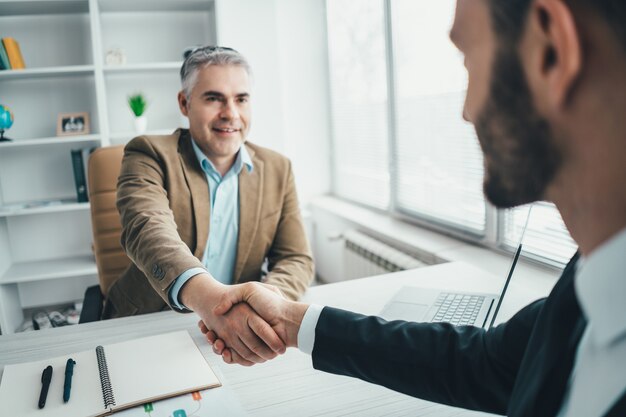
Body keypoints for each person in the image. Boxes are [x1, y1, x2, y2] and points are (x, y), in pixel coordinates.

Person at [204, 0, 626, 414]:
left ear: (550, 50)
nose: (466, 111)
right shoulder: (589, 274)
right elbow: (489, 364)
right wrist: (292, 321)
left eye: (468, 62)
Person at [103, 46, 314, 365]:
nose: (231, 113)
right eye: (214, 98)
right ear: (184, 104)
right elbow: (147, 229)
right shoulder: (148, 153)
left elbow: (296, 258)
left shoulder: (278, 168)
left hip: (240, 333)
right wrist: (213, 302)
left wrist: (264, 301)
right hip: (148, 325)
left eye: (241, 99)